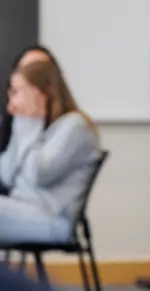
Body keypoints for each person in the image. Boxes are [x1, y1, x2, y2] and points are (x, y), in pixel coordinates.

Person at [0, 61, 101, 244]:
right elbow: (6, 176)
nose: (11, 104)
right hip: (23, 209)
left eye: (16, 92)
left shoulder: (74, 126)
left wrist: (30, 124)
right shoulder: (38, 126)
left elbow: (39, 175)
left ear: (41, 92)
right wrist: (21, 124)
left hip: (53, 219)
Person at [0, 45, 59, 156]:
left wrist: (33, 119)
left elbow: (34, 173)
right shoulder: (9, 121)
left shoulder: (68, 127)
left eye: (40, 74)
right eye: (25, 71)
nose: (31, 80)